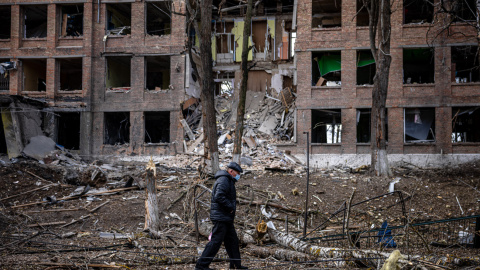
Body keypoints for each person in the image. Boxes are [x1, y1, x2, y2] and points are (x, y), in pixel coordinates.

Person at [195, 162, 248, 270]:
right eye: (237, 173)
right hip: (221, 217)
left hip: (226, 217)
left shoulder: (228, 180)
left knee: (232, 242)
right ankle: (201, 265)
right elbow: (219, 196)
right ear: (231, 171)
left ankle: (235, 265)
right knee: (215, 242)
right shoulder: (224, 180)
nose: (238, 176)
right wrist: (230, 207)